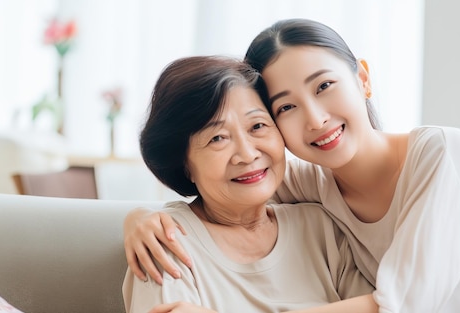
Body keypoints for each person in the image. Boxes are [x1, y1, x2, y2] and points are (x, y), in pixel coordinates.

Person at [124, 18, 460, 312]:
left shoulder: (443, 153)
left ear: (362, 77)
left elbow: (402, 306)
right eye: (285, 108)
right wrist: (140, 217)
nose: (316, 118)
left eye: (323, 86)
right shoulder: (313, 184)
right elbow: (229, 183)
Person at [122, 55, 375, 313]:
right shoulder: (166, 243)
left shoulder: (322, 229)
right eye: (218, 138)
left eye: (257, 126)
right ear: (185, 165)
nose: (247, 154)